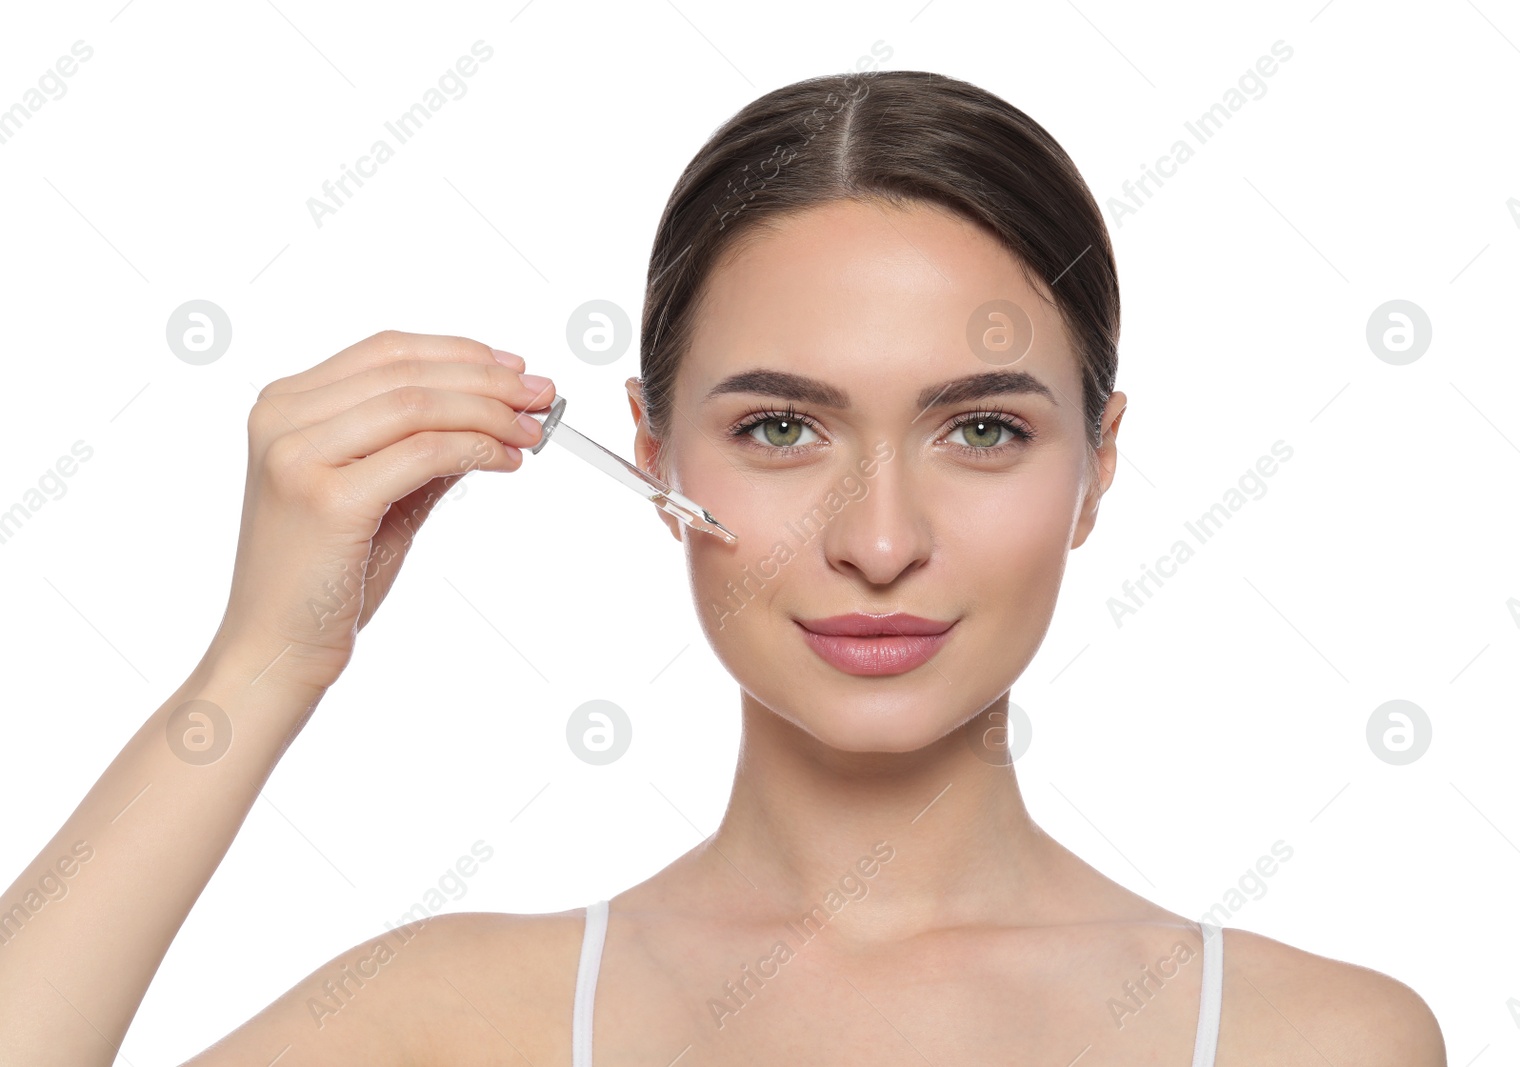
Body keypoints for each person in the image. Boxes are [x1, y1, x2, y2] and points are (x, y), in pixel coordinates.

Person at [0, 70, 1444, 1066]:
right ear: (650, 450)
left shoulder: (1310, 1042)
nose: (880, 542)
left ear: (1099, 467)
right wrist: (262, 663)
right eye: (780, 427)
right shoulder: (446, 1022)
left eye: (983, 429)